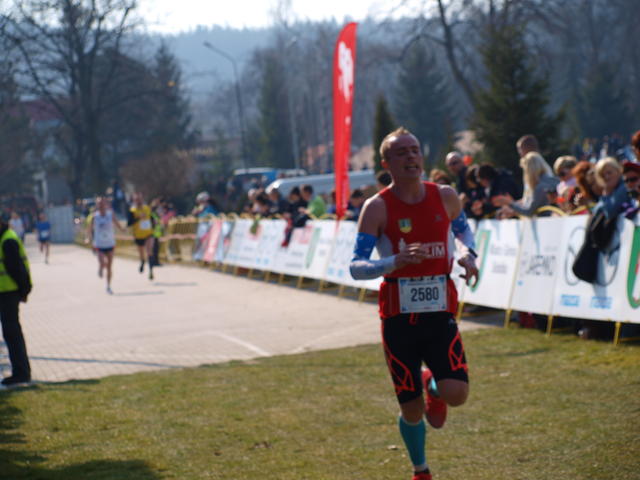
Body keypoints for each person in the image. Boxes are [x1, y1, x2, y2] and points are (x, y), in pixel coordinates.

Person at [350, 127, 478, 480]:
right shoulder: (376, 208)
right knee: (412, 411)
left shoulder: (445, 196)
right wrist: (394, 262)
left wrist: (468, 254)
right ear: (386, 163)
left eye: (415, 150)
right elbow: (356, 267)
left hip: (439, 311)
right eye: (401, 152)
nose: (410, 156)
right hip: (398, 319)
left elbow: (464, 232)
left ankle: (432, 383)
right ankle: (420, 470)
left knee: (456, 394)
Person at [0, 214, 32, 386]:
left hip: (9, 293)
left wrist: (24, 291)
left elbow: (17, 269)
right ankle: (20, 371)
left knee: (12, 333)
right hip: (6, 292)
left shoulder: (7, 240)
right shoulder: (5, 237)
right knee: (11, 332)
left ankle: (21, 373)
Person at [494, 152, 559, 218]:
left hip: (548, 221)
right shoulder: (551, 181)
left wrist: (510, 203)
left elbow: (529, 212)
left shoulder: (540, 186)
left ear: (529, 170)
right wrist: (513, 205)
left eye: (525, 170)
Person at [88, 197, 125, 294]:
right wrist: (89, 239)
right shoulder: (94, 216)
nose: (101, 205)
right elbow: (90, 230)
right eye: (99, 204)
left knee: (109, 266)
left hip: (110, 243)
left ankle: (108, 286)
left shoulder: (110, 214)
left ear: (106, 205)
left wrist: (122, 229)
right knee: (102, 262)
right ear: (97, 205)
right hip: (99, 244)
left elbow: (117, 224)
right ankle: (101, 267)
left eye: (103, 203)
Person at [128, 193, 155, 280]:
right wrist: (138, 218)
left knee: (149, 251)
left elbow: (151, 218)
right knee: (141, 253)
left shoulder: (147, 208)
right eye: (137, 200)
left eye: (140, 199)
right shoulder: (132, 210)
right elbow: (129, 223)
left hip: (148, 233)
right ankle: (142, 262)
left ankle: (151, 271)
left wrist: (154, 225)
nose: (139, 201)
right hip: (138, 235)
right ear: (134, 201)